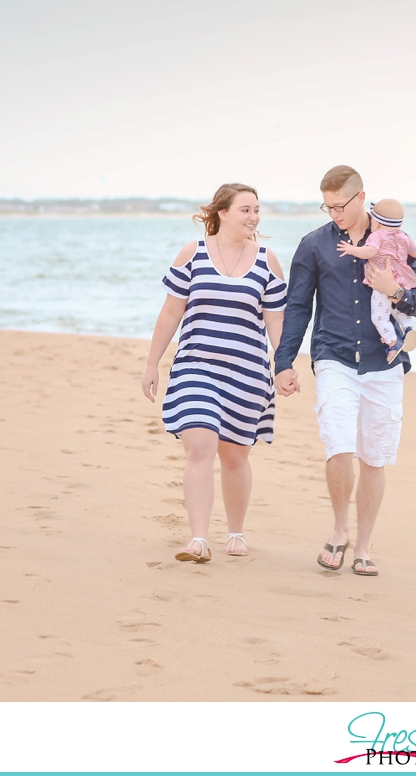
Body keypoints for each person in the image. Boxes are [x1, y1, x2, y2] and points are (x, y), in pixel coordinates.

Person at [273, 166, 416, 576]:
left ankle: (363, 546)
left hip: (384, 362)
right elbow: (298, 308)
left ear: (361, 198)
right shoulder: (313, 245)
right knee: (339, 445)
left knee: (374, 458)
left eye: (340, 205)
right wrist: (283, 362)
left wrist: (392, 291)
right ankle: (340, 529)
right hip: (334, 355)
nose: (333, 213)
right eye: (327, 206)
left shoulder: (396, 243)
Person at [141, 183, 287, 564]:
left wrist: (284, 365)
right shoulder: (194, 253)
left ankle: (235, 532)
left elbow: (276, 321)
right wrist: (151, 363)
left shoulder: (267, 260)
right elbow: (171, 312)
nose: (254, 217)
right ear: (222, 213)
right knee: (200, 445)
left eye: (257, 210)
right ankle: (198, 539)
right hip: (196, 365)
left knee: (236, 455)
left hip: (247, 373)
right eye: (245, 209)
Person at [337, 198, 416, 363]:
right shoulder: (403, 236)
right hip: (401, 279)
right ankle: (408, 328)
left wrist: (351, 249)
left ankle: (392, 343)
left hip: (381, 280)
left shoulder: (377, 235)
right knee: (396, 307)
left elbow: (370, 252)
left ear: (377, 224)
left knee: (379, 317)